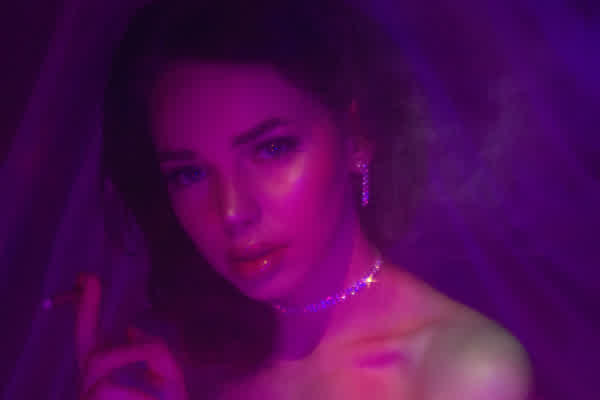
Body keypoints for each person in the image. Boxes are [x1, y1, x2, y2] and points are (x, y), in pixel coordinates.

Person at [77, 0, 533, 398]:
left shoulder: (461, 371)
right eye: (189, 174)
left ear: (355, 136)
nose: (232, 211)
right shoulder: (181, 361)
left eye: (272, 149)